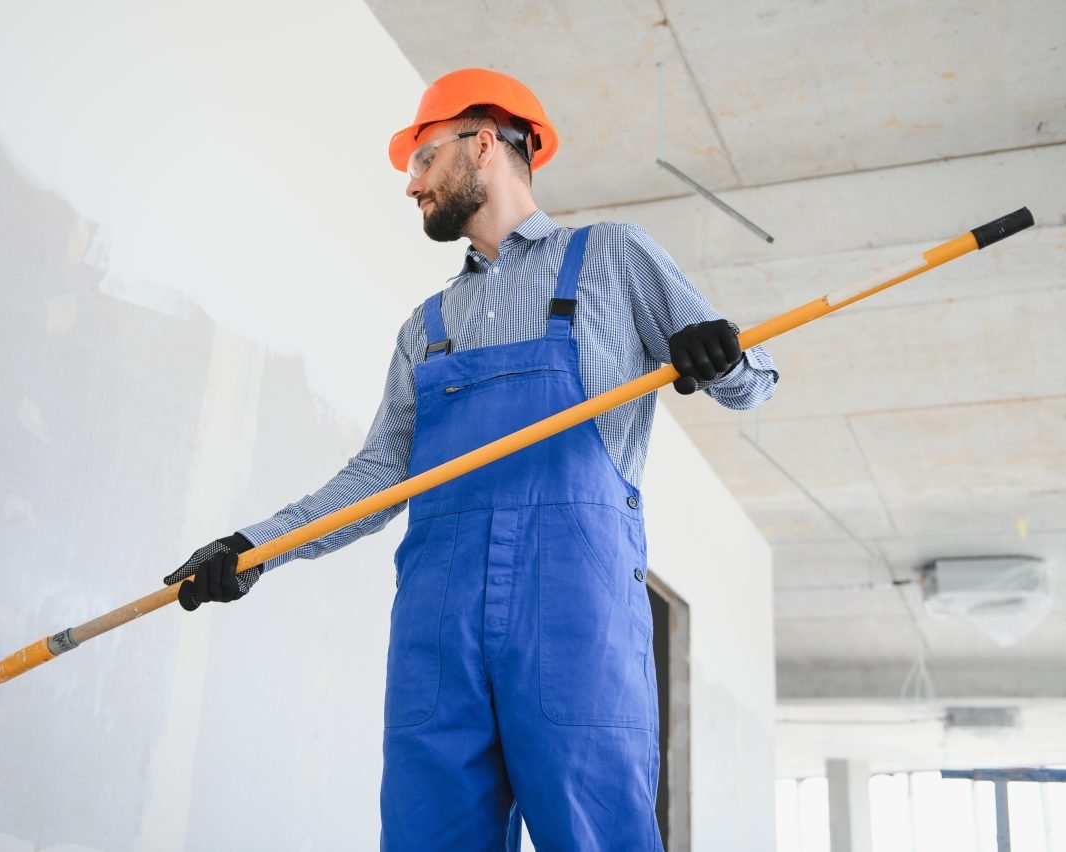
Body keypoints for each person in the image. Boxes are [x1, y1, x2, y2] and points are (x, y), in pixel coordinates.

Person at [165, 68, 778, 851]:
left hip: (573, 629)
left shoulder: (613, 261)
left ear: (484, 141)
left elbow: (751, 389)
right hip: (437, 634)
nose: (412, 184)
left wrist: (719, 358)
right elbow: (380, 476)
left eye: (423, 159)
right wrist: (256, 546)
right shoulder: (428, 327)